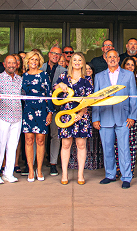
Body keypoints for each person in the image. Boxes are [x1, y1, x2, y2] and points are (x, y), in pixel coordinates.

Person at [93, 49, 137, 189]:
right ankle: (110, 174)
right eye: (109, 57)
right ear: (105, 59)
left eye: (114, 57)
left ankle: (126, 177)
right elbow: (95, 99)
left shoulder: (129, 75)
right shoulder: (99, 76)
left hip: (123, 117)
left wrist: (132, 116)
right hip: (105, 117)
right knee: (107, 148)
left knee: (124, 148)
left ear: (119, 59)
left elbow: (133, 97)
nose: (112, 59)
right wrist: (95, 118)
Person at [54, 53, 94, 185]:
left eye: (80, 60)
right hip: (66, 115)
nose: (77, 62)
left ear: (83, 63)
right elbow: (53, 92)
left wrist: (82, 113)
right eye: (74, 60)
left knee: (81, 145)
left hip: (81, 116)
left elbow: (89, 99)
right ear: (70, 62)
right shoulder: (63, 77)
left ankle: (80, 174)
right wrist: (60, 86)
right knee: (65, 144)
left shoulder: (87, 79)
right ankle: (65, 174)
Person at [21, 51, 54, 182]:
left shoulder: (44, 75)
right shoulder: (23, 76)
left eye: (36, 59)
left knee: (40, 140)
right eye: (31, 59)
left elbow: (49, 93)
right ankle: (30, 169)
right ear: (27, 61)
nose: (34, 62)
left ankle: (39, 169)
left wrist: (50, 112)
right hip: (28, 110)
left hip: (42, 110)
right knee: (29, 139)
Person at [0, 55, 23, 185]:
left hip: (17, 117)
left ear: (17, 65)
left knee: (12, 146)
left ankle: (8, 173)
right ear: (4, 64)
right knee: (0, 146)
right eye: (9, 63)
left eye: (13, 63)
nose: (11, 65)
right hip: (2, 117)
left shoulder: (20, 79)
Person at [41, 46, 67, 176]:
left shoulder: (64, 71)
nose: (55, 56)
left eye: (58, 54)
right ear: (49, 54)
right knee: (39, 137)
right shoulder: (40, 68)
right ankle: (36, 164)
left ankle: (53, 164)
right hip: (40, 109)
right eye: (53, 53)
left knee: (55, 136)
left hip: (56, 108)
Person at [114, 56, 137, 176]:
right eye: (128, 64)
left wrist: (131, 114)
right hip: (117, 114)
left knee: (130, 143)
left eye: (132, 65)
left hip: (131, 116)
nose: (130, 67)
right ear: (123, 66)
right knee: (117, 143)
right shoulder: (118, 80)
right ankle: (118, 168)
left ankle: (130, 169)